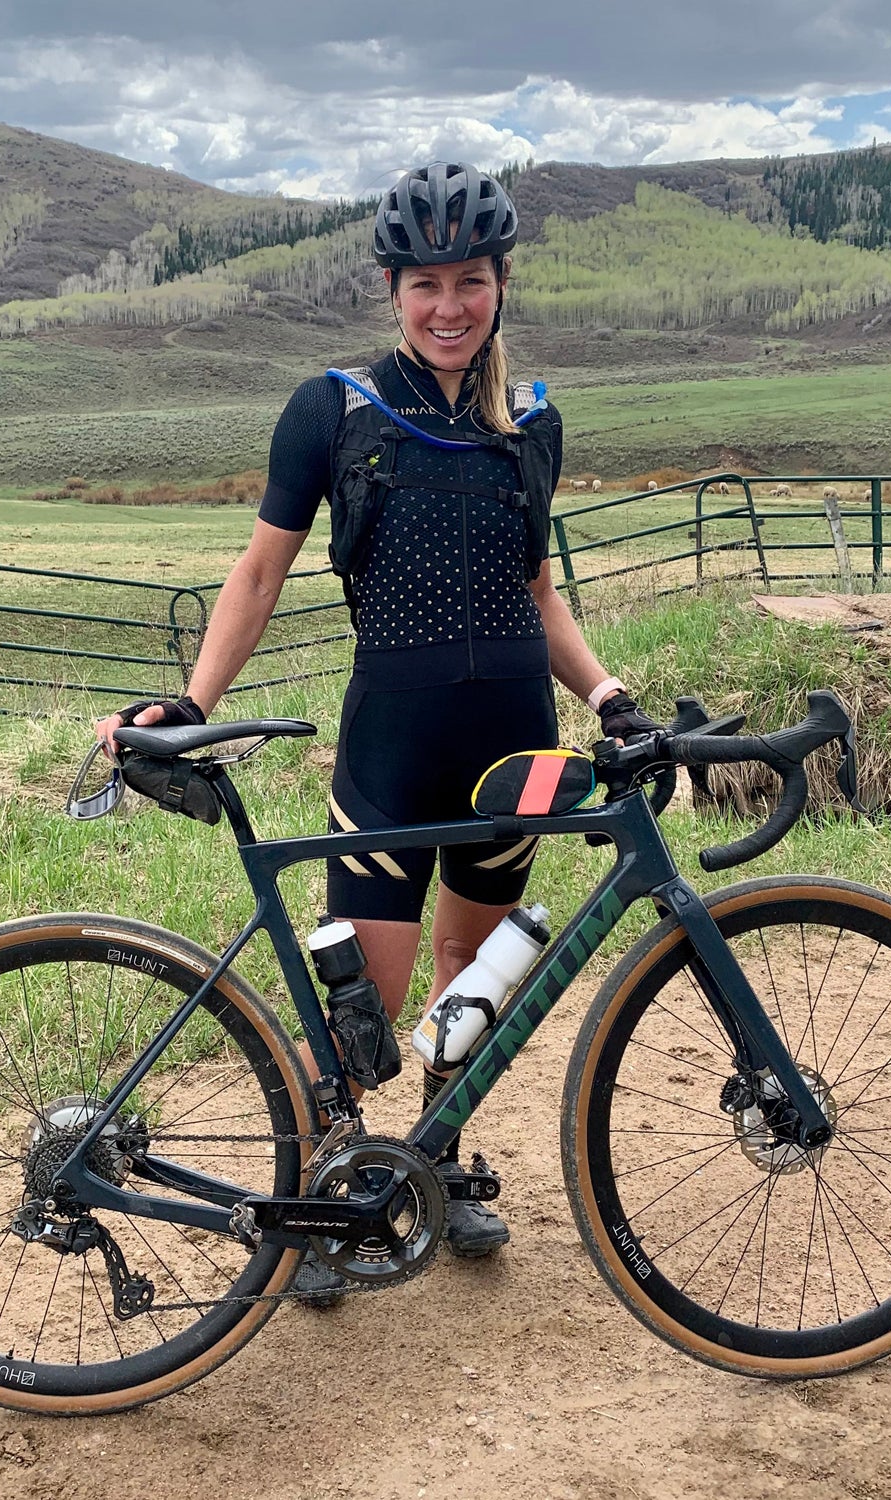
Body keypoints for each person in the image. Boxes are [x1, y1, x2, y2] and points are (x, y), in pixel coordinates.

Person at [96, 161, 659, 1301]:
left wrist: (606, 696)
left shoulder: (529, 423)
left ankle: (434, 1170)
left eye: (469, 282)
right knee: (369, 1011)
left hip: (512, 742)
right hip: (393, 745)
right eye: (424, 286)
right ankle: (315, 1205)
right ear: (391, 290)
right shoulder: (335, 408)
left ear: (500, 284)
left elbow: (537, 590)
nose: (447, 307)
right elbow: (260, 569)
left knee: (472, 981)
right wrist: (194, 701)